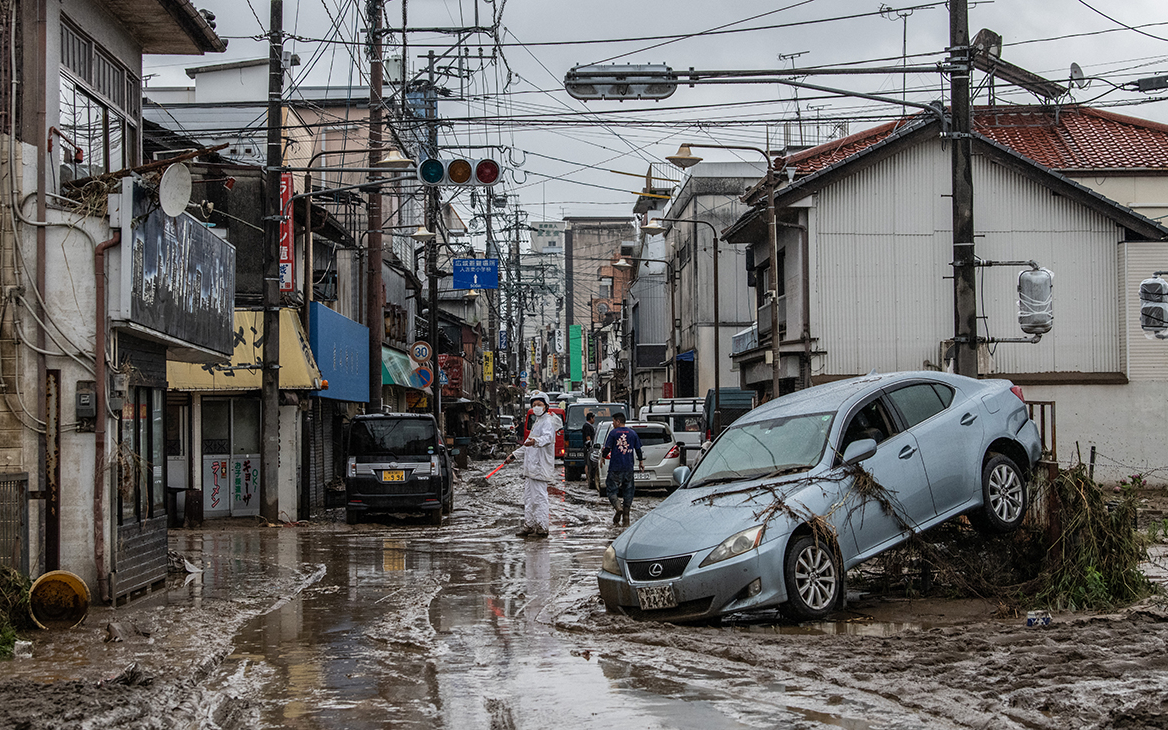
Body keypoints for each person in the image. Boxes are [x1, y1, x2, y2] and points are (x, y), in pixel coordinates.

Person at [513, 391, 562, 538]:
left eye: (539, 405)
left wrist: (536, 442)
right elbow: (528, 444)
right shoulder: (537, 422)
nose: (536, 407)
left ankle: (542, 527)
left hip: (540, 468)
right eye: (534, 405)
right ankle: (529, 525)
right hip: (531, 469)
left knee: (540, 498)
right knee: (528, 498)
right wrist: (514, 455)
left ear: (546, 406)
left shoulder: (547, 422)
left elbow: (547, 438)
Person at [601, 412, 643, 527]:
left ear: (618, 421)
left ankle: (618, 506)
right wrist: (641, 462)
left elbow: (607, 448)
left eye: (614, 421)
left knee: (611, 489)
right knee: (628, 491)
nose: (613, 424)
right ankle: (626, 515)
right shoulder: (633, 433)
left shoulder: (613, 433)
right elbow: (638, 449)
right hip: (628, 467)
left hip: (615, 467)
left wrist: (603, 457)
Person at [581, 412, 596, 485]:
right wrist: (590, 444)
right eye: (594, 418)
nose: (594, 420)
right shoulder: (587, 426)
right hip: (588, 447)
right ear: (591, 418)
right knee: (587, 463)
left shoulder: (588, 426)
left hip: (588, 446)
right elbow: (588, 437)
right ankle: (588, 477)